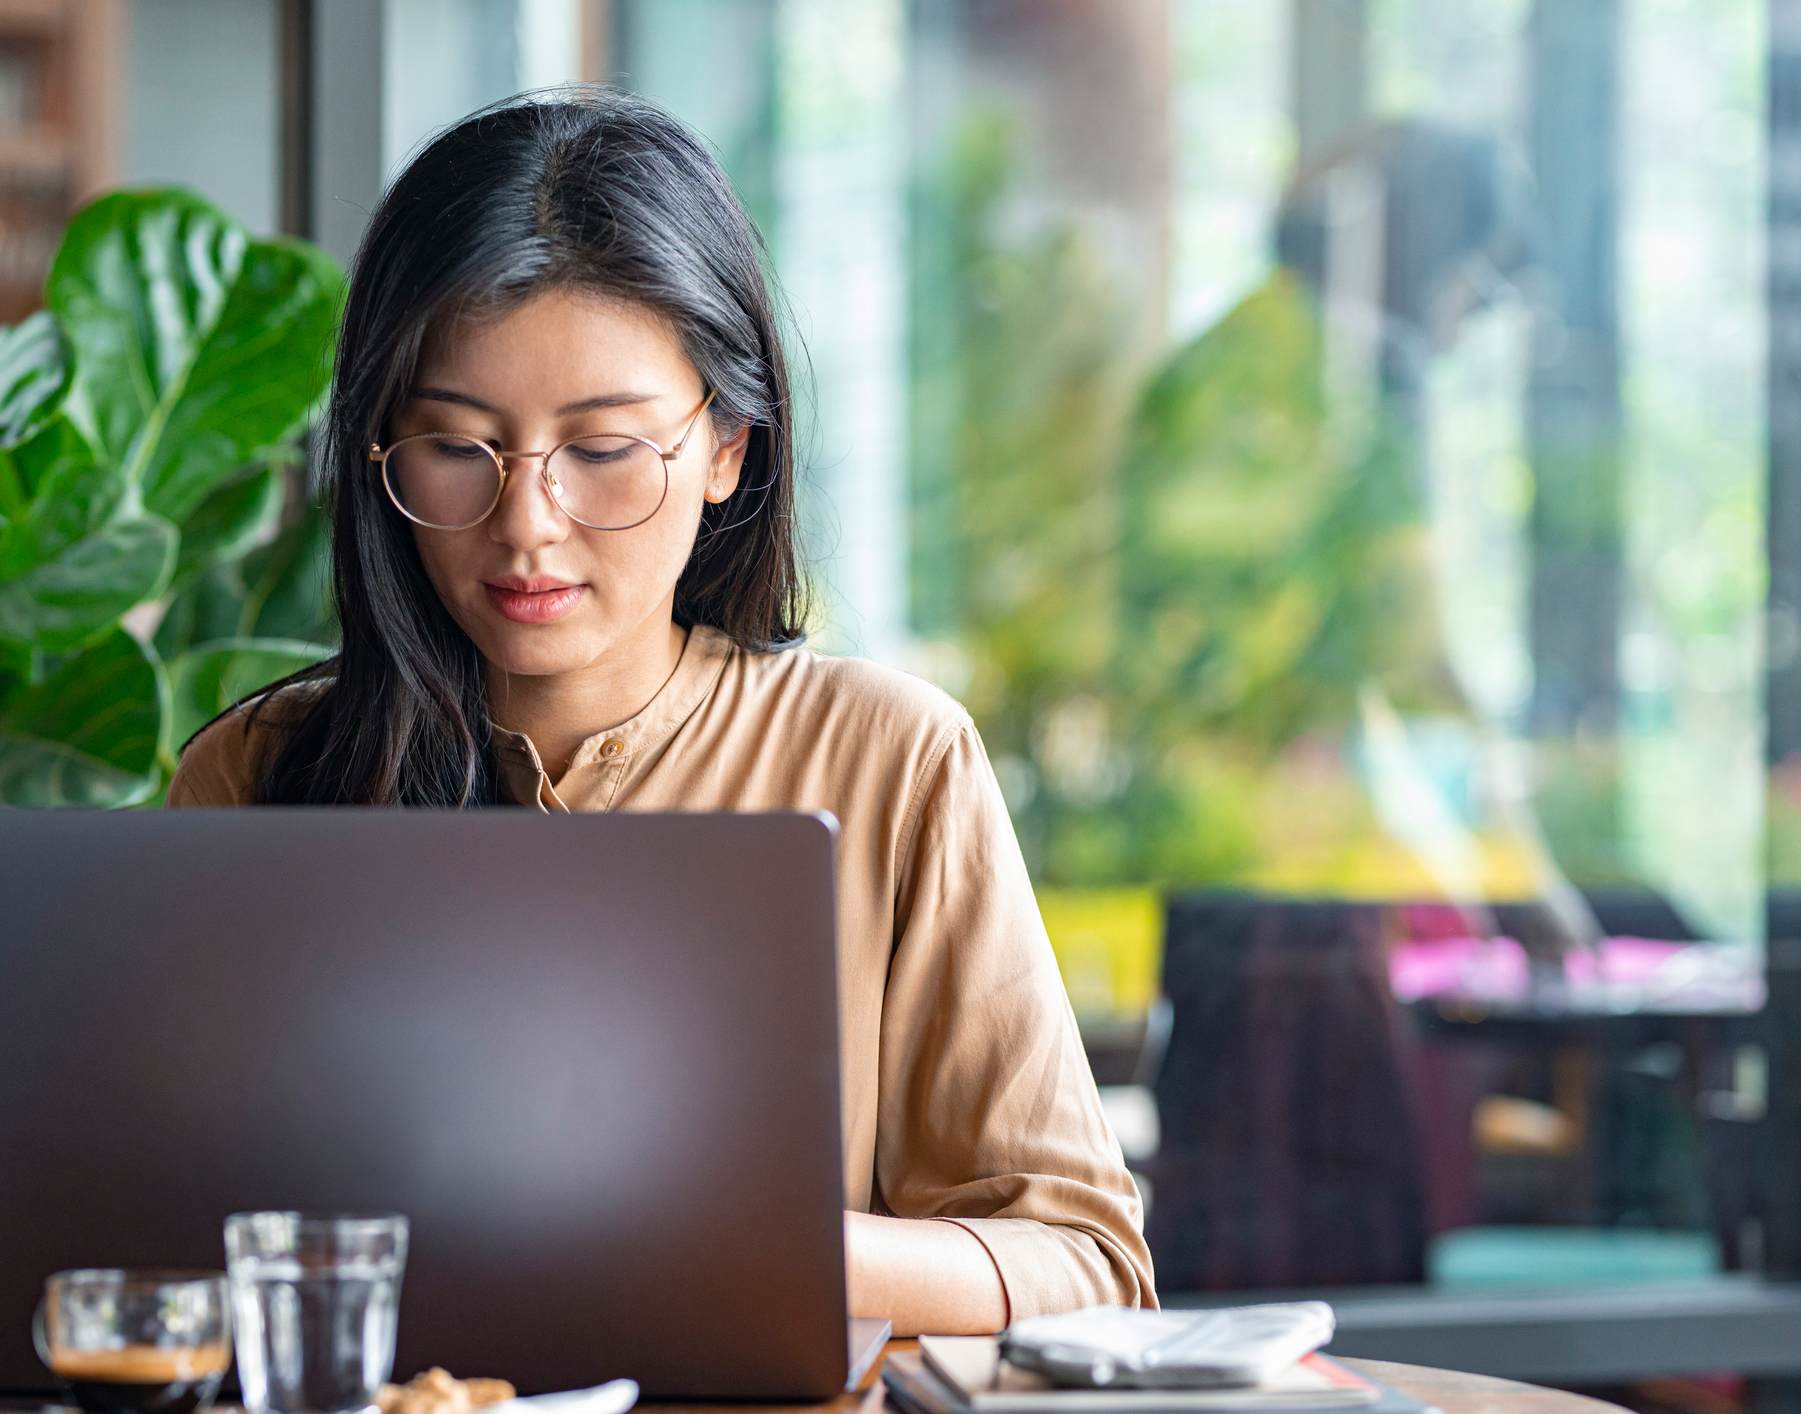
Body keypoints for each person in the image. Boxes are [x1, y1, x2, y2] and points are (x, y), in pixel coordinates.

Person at [166, 83, 1154, 1333]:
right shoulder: (255, 775)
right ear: (378, 451)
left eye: (605, 449)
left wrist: (732, 1239)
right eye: (458, 446)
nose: (526, 524)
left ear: (730, 445)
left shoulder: (889, 761)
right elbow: (155, 1233)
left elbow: (1085, 1264)